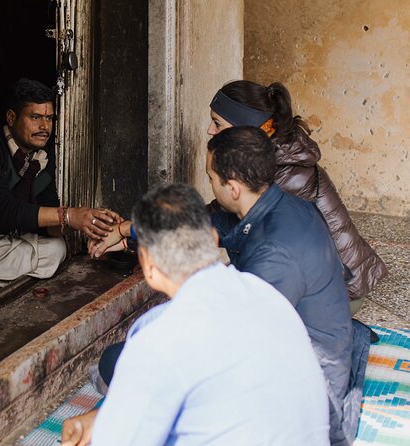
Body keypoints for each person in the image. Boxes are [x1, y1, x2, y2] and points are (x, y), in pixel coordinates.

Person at [61, 183, 330, 446]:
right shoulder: (267, 296)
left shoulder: (155, 337)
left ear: (149, 266)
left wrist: (110, 423)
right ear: (212, 239)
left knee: (115, 364)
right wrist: (104, 416)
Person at [205, 127, 369, 445]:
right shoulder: (281, 205)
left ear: (233, 187)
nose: (211, 185)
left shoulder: (275, 255)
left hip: (314, 388)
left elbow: (244, 344)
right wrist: (129, 230)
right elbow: (201, 223)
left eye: (211, 178)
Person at [208, 80, 387, 314]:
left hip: (339, 292)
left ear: (245, 129)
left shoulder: (285, 174)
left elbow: (229, 222)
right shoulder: (269, 157)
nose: (210, 130)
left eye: (217, 123)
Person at [0, 78, 120, 295]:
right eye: (35, 117)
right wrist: (70, 215)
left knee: (56, 249)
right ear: (11, 117)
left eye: (49, 118)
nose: (45, 127)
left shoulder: (42, 158)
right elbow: (1, 209)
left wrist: (90, 221)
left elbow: (50, 225)